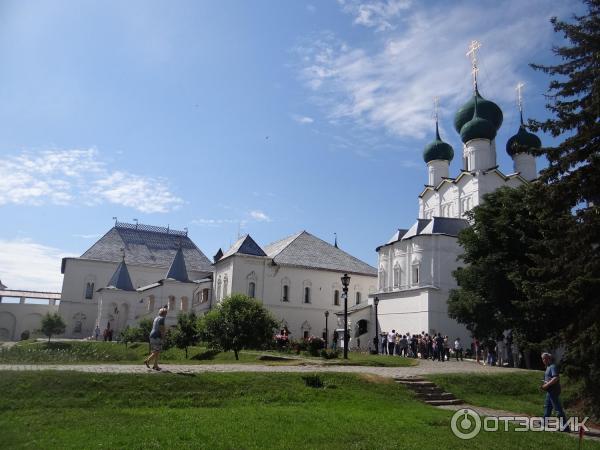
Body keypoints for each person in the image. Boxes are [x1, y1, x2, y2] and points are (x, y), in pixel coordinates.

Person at [541, 352, 569, 431]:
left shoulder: (553, 366)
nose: (544, 360)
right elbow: (550, 378)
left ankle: (565, 427)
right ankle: (544, 422)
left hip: (553, 390)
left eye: (545, 358)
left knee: (557, 409)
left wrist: (546, 385)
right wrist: (545, 382)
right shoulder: (548, 367)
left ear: (549, 358)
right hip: (549, 390)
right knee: (548, 407)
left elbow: (556, 378)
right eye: (543, 359)